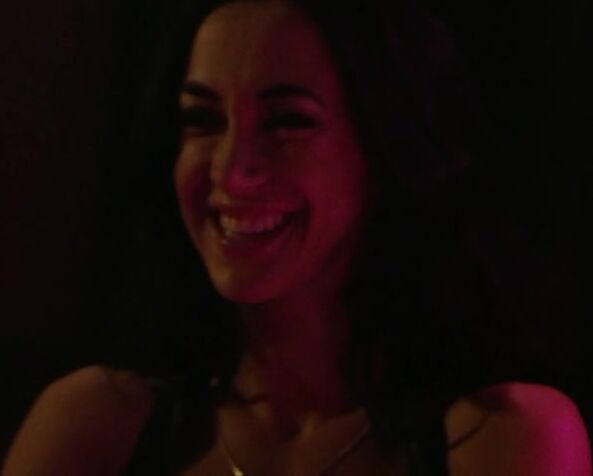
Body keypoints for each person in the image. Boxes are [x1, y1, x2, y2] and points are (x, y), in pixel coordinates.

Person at [3, 0, 591, 475]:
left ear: (384, 151)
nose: (231, 171)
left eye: (287, 120)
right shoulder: (98, 425)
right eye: (203, 120)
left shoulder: (500, 436)